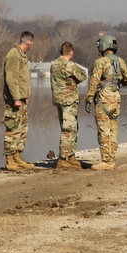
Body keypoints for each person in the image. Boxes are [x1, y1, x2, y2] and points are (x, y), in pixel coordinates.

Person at [83, 34, 127, 171]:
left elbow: (93, 83)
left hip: (103, 100)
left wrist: (88, 99)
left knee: (103, 130)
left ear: (104, 46)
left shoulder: (100, 62)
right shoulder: (121, 61)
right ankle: (112, 159)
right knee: (113, 130)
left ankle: (106, 161)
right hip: (116, 100)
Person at [50, 41, 88, 170]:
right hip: (69, 100)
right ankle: (62, 159)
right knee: (69, 129)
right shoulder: (69, 65)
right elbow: (83, 76)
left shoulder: (54, 64)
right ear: (71, 53)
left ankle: (71, 156)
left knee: (68, 127)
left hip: (59, 100)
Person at [3, 30, 35, 171]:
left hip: (21, 100)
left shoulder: (22, 55)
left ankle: (17, 157)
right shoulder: (14, 55)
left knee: (21, 130)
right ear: (29, 43)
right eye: (32, 44)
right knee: (13, 130)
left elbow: (21, 79)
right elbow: (11, 78)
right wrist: (16, 98)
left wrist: (24, 96)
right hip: (14, 101)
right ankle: (10, 160)